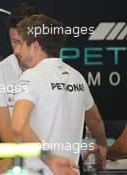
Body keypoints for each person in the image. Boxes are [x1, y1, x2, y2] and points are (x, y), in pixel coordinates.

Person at [11, 15, 107, 175]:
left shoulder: (31, 76)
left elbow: (18, 126)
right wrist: (102, 144)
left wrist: (51, 160)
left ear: (35, 46)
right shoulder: (77, 77)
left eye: (20, 43)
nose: (16, 50)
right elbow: (95, 120)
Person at [0, 3, 42, 173]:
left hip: (48, 139)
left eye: (22, 42)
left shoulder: (58, 71)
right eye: (14, 41)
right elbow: (5, 133)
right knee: (8, 168)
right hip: (10, 143)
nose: (17, 49)